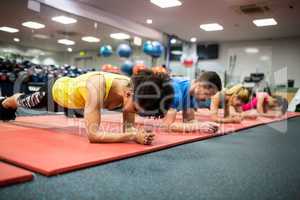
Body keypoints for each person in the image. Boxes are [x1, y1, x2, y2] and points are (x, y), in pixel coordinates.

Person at [0, 70, 174, 145]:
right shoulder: (96, 86)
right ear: (128, 94)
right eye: (136, 110)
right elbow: (93, 135)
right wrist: (132, 134)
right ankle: (4, 101)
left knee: (86, 110)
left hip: (80, 104)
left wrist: (137, 135)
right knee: (23, 101)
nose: (134, 114)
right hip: (57, 92)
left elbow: (128, 128)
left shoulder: (133, 89)